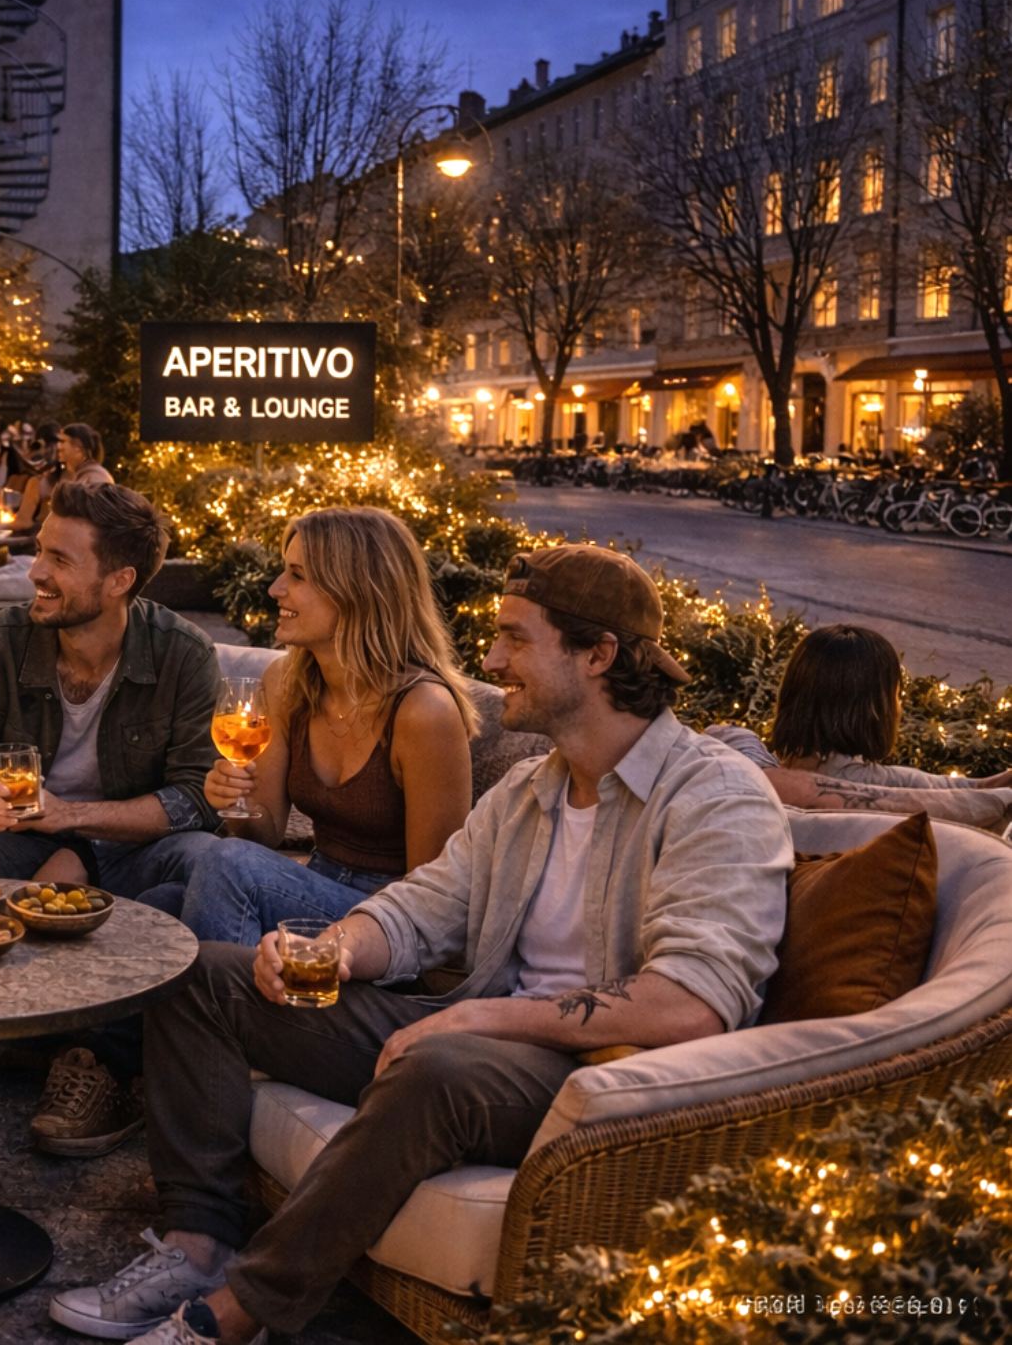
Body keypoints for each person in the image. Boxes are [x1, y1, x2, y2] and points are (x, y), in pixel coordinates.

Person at [52, 544, 793, 1344]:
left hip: (605, 1078)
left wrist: (476, 1022)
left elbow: (691, 1003)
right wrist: (334, 948)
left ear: (599, 654)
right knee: (199, 976)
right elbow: (421, 907)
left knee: (433, 1062)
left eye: (515, 638)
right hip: (483, 1028)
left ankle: (239, 1313)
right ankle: (198, 1242)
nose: (492, 658)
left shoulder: (713, 795)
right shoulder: (529, 791)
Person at [0, 482, 224, 1154]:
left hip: (128, 852)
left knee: (202, 866)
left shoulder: (182, 654)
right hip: (18, 845)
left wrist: (75, 828)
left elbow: (198, 798)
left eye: (59, 559)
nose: (36, 572)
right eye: (39, 552)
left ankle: (98, 1066)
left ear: (119, 580)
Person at [169, 508, 477, 945]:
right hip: (315, 881)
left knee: (225, 863)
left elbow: (434, 899)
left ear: (356, 592)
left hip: (388, 918)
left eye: (297, 576)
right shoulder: (287, 684)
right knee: (163, 898)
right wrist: (235, 801)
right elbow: (265, 832)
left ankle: (225, 1010)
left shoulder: (423, 710)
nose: (276, 589)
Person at [708, 624, 1012, 829]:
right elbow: (923, 791)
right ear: (875, 708)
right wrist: (997, 798)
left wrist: (991, 786)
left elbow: (931, 787)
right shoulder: (862, 794)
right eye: (896, 694)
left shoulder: (737, 754)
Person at [15, 423, 113, 536]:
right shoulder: (75, 475)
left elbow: (87, 523)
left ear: (78, 448)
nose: (58, 447)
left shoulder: (95, 477)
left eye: (63, 441)